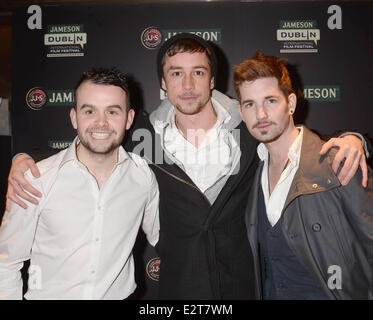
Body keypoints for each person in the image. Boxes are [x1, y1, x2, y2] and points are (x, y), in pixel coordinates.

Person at [5, 34, 370, 299]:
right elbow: (94, 138)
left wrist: (357, 139)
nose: (189, 84)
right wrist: (20, 160)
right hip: (180, 292)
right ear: (163, 84)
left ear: (213, 80)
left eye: (198, 72)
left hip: (247, 288)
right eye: (176, 73)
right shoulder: (138, 133)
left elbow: (297, 141)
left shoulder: (248, 129)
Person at [0, 68, 159, 299]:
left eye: (112, 111)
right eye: (90, 111)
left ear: (129, 119)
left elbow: (165, 238)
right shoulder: (36, 179)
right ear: (74, 117)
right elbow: (6, 261)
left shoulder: (142, 176)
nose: (101, 122)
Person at [233, 52, 373, 300]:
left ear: (292, 104)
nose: (261, 115)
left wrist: (357, 140)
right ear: (241, 112)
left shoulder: (338, 164)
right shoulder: (251, 172)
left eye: (271, 101)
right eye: (250, 104)